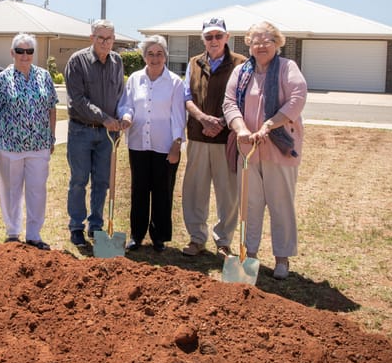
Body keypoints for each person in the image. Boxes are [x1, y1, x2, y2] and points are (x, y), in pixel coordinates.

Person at [222, 21, 307, 280]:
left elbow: (297, 98)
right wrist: (241, 129)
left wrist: (269, 126)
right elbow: (229, 102)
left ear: (277, 43)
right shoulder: (242, 72)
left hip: (278, 147)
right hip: (248, 148)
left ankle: (282, 259)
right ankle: (250, 255)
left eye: (267, 40)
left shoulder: (286, 68)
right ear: (248, 44)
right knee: (250, 204)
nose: (261, 45)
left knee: (280, 204)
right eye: (255, 41)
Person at [180, 18, 247, 257]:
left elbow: (243, 100)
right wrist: (203, 119)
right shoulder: (194, 62)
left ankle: (223, 241)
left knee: (227, 193)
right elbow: (187, 97)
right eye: (209, 37)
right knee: (195, 190)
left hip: (226, 139)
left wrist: (220, 122)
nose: (214, 41)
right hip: (199, 136)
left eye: (219, 36)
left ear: (227, 37)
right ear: (203, 40)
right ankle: (196, 239)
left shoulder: (241, 63)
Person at [0, 33, 58, 250]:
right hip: (9, 146)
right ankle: (13, 233)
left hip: (39, 145)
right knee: (10, 191)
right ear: (12, 53)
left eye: (29, 51)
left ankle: (34, 235)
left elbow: (52, 108)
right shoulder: (1, 80)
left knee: (37, 190)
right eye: (20, 51)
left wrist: (51, 137)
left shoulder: (44, 76)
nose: (25, 55)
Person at [116, 35, 186, 252]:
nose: (155, 58)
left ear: (165, 56)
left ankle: (159, 236)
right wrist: (126, 117)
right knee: (139, 190)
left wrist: (176, 145)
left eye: (159, 54)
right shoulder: (135, 79)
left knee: (162, 191)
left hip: (165, 145)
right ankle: (137, 235)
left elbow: (178, 116)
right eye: (150, 54)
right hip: (138, 143)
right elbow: (126, 105)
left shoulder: (175, 82)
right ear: (144, 56)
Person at [64, 19, 125, 246]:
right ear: (92, 38)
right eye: (100, 38)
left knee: (102, 181)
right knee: (79, 180)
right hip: (81, 130)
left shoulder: (117, 62)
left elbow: (119, 95)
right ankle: (77, 226)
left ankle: (96, 225)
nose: (105, 42)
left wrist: (122, 117)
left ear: (114, 39)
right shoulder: (77, 61)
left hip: (108, 135)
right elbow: (77, 100)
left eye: (109, 38)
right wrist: (104, 118)